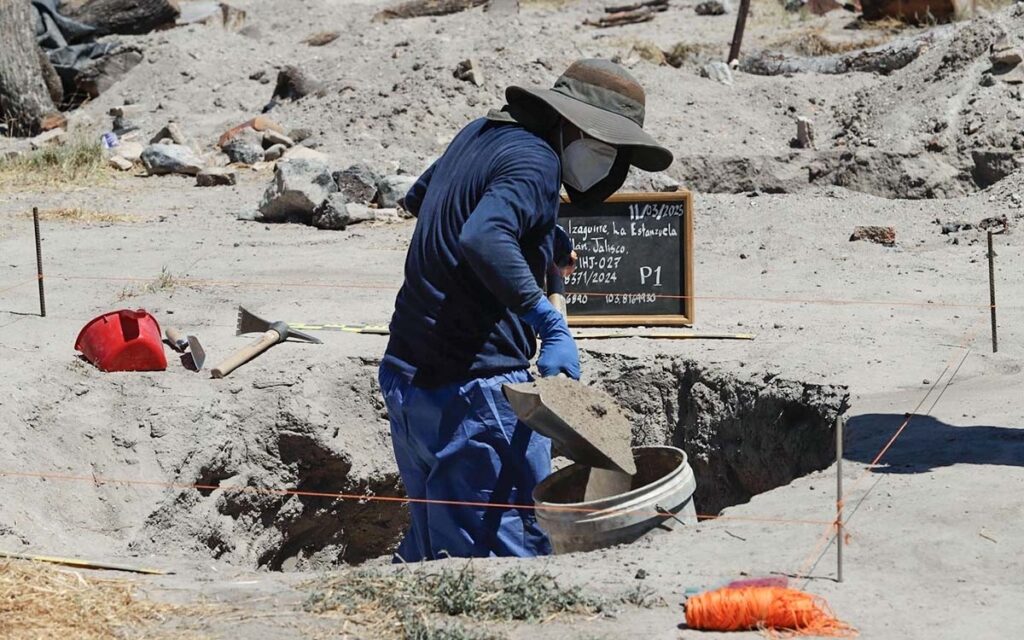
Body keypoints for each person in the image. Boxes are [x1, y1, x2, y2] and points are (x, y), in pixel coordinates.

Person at [379, 59, 673, 561]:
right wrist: (547, 319)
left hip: (409, 379)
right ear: (570, 124)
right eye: (605, 147)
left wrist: (537, 237)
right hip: (477, 392)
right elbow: (482, 234)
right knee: (503, 563)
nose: (608, 161)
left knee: (440, 554)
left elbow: (424, 198)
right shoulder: (537, 159)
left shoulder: (479, 132)